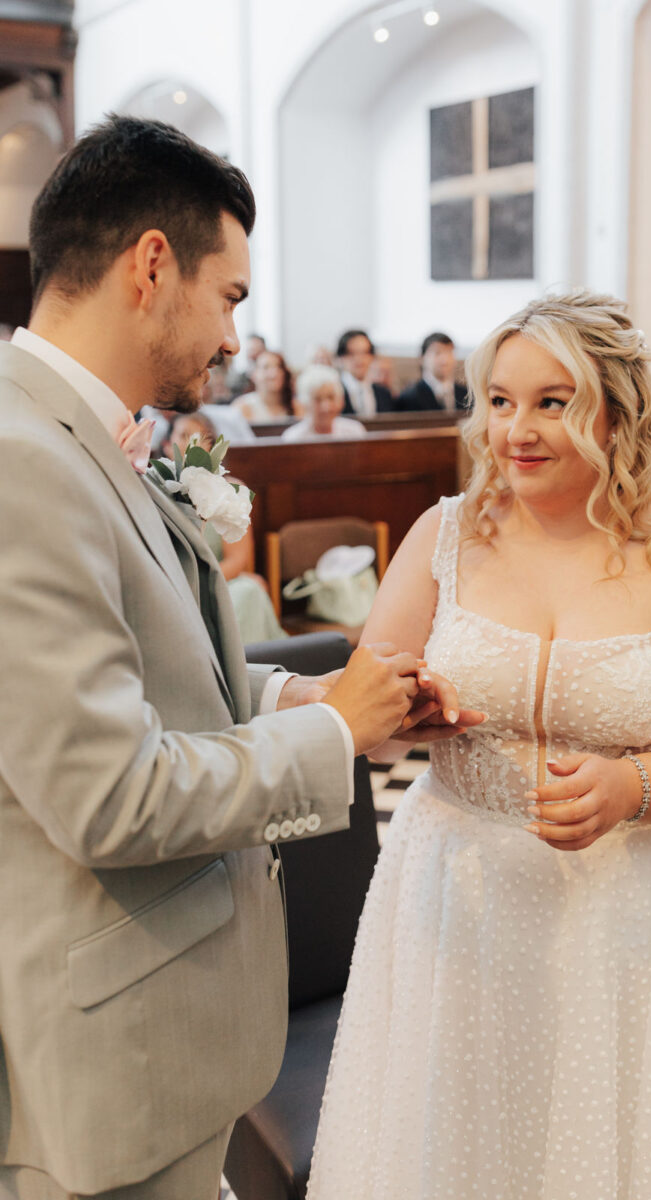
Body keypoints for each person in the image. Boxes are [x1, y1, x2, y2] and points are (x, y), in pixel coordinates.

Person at [0, 115, 475, 1200]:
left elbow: (149, 678)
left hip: (165, 1042)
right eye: (231, 299)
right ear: (151, 266)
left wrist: (305, 690)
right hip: (104, 1066)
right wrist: (330, 735)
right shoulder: (22, 465)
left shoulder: (79, 439)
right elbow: (108, 793)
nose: (231, 335)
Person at [307, 291, 651, 1199]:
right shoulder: (441, 535)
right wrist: (404, 712)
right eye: (497, 400)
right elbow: (361, 706)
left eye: (551, 402)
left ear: (619, 409)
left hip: (633, 915)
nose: (514, 430)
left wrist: (632, 786)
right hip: (457, 896)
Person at [164, 413, 286, 642]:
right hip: (173, 586)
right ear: (166, 444)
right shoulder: (158, 491)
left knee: (249, 591)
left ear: (212, 447)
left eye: (198, 437)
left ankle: (250, 670)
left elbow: (238, 560)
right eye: (183, 435)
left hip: (219, 582)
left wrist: (201, 584)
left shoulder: (230, 490)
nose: (191, 443)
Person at [282, 365, 367, 442]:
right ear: (305, 403)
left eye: (331, 397)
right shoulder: (293, 438)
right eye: (318, 399)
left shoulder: (355, 432)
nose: (326, 407)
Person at [395, 331, 469, 412]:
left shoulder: (466, 395)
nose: (445, 359)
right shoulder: (409, 397)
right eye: (437, 353)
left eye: (449, 352)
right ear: (422, 358)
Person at [336, 328, 394, 415]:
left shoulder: (384, 394)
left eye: (364, 353)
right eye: (352, 353)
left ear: (372, 356)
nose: (359, 359)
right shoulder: (334, 393)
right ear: (340, 357)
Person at [232, 348, 295, 422]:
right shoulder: (242, 408)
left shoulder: (297, 407)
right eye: (266, 367)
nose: (274, 373)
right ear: (254, 375)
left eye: (279, 367)